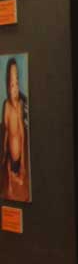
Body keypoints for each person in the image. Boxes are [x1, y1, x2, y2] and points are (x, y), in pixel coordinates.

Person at [2, 57, 28, 203]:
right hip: (10, 156)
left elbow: (23, 135)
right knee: (7, 167)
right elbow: (6, 130)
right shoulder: (6, 106)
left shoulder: (19, 107)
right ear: (7, 86)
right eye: (12, 84)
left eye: (17, 82)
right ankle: (11, 183)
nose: (16, 88)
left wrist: (23, 162)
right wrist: (4, 150)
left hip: (18, 157)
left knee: (22, 178)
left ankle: (16, 174)